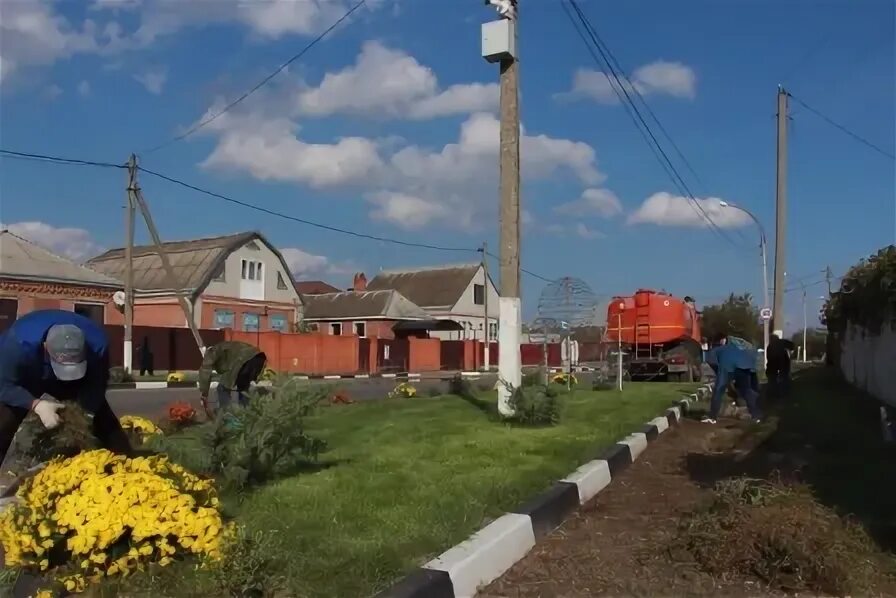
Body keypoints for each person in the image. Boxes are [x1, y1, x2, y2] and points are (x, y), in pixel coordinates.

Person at [0, 309, 132, 465]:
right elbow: (4, 386)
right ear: (45, 347)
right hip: (28, 374)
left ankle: (126, 465)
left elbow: (96, 382)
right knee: (4, 421)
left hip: (78, 378)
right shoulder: (17, 344)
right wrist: (36, 405)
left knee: (104, 420)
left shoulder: (97, 343)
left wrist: (88, 412)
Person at [703, 332, 762, 424]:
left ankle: (712, 417)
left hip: (727, 366)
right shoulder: (738, 346)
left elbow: (712, 362)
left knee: (718, 390)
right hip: (745, 366)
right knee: (746, 390)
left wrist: (720, 376)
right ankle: (756, 416)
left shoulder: (716, 350)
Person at [198, 340, 267, 416]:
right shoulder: (227, 347)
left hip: (242, 361)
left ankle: (226, 414)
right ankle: (246, 415)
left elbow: (205, 372)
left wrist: (204, 393)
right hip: (258, 358)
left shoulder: (211, 352)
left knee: (222, 388)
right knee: (243, 389)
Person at [765, 334, 794, 399]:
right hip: (783, 364)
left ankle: (772, 395)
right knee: (784, 380)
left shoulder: (770, 346)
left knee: (772, 380)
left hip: (773, 366)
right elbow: (792, 346)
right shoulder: (782, 342)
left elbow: (769, 358)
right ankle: (784, 395)